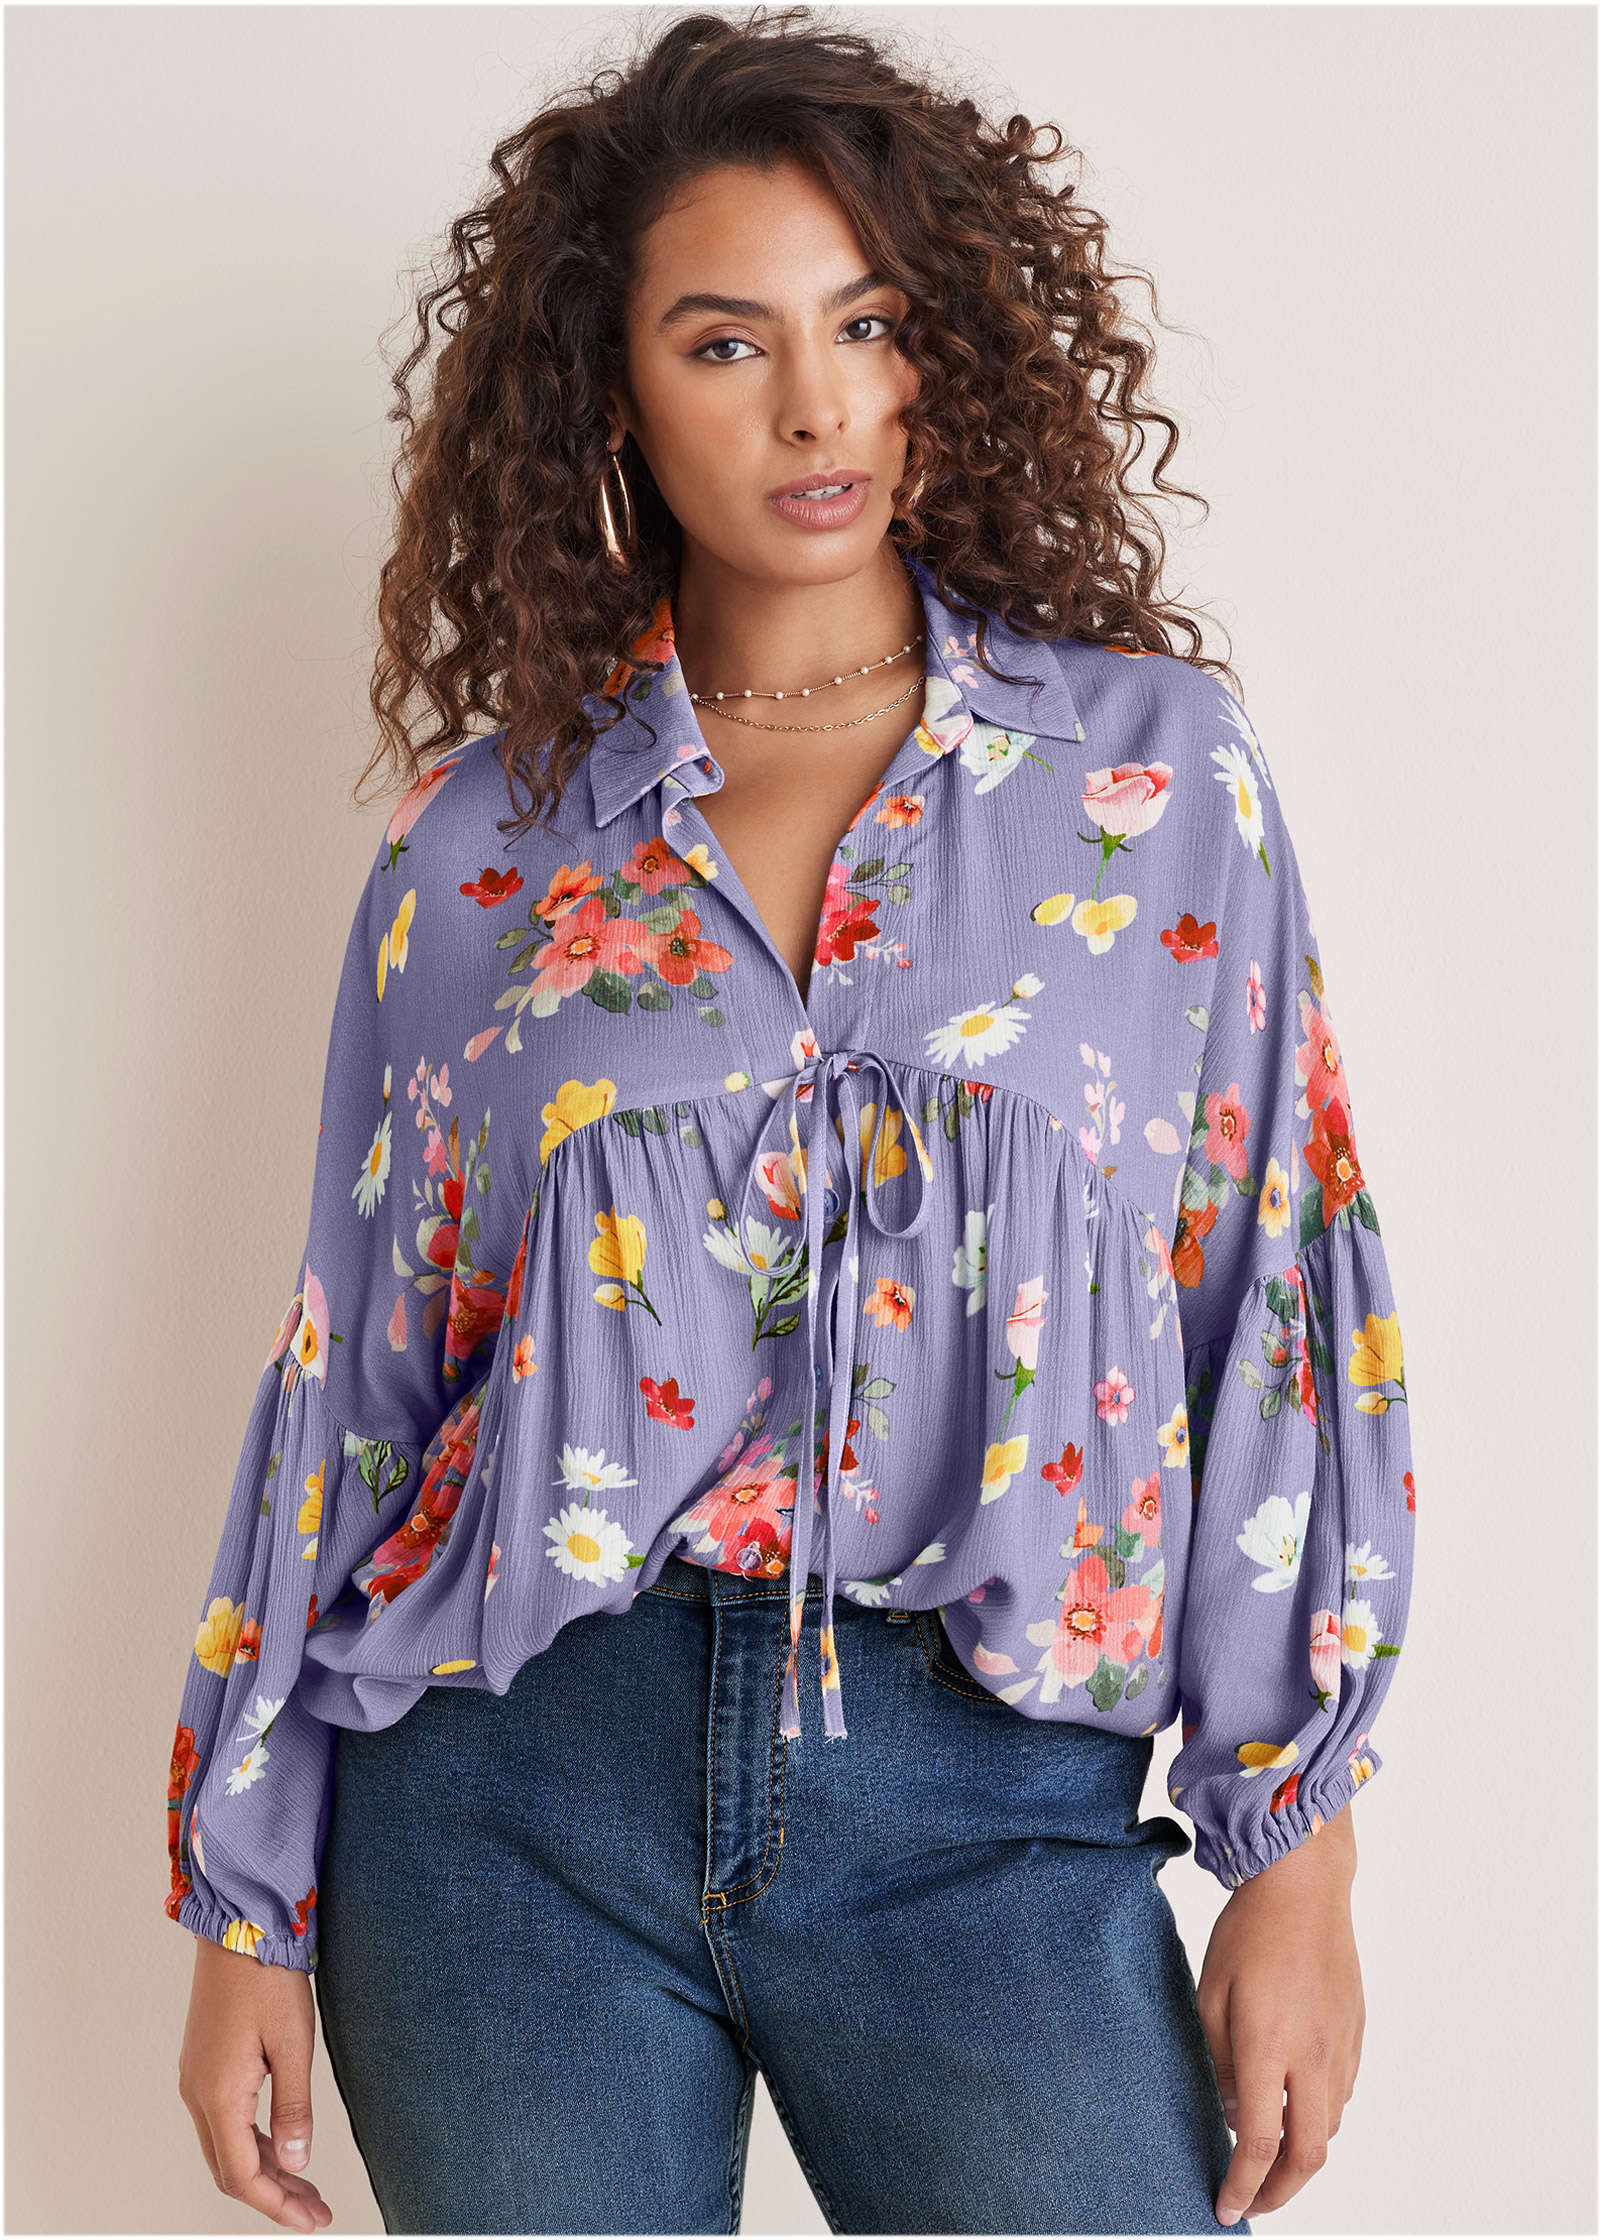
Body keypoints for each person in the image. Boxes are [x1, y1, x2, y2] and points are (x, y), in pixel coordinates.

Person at [169, 10, 1416, 2234]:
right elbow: (359, 1368)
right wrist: (242, 1895)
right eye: (727, 341)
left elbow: (1271, 1297)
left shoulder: (1151, 780)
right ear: (614, 388)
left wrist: (1291, 1850)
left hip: (984, 1789)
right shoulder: (483, 845)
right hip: (508, 1801)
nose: (818, 406)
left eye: (870, 323)